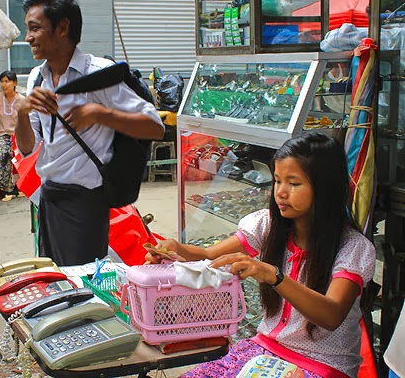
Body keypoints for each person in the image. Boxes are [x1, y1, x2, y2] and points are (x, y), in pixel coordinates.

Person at [146, 133, 376, 378]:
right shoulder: (268, 226)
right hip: (264, 352)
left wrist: (273, 276)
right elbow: (209, 255)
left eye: (294, 183)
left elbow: (331, 315)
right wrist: (176, 252)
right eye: (277, 181)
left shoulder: (352, 248)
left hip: (321, 366)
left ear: (325, 188)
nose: (281, 193)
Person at [15, 0, 164, 266]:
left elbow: (155, 127)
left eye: (35, 28)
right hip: (48, 198)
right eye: (28, 29)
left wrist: (99, 114)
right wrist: (22, 111)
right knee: (56, 279)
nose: (28, 38)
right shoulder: (38, 78)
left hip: (85, 202)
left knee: (82, 288)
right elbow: (28, 147)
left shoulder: (99, 74)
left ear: (62, 28)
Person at [0, 70, 24, 202]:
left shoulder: (22, 100)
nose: (4, 85)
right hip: (2, 134)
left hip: (18, 135)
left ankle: (15, 187)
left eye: (7, 81)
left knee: (13, 155)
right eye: (2, 81)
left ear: (15, 83)